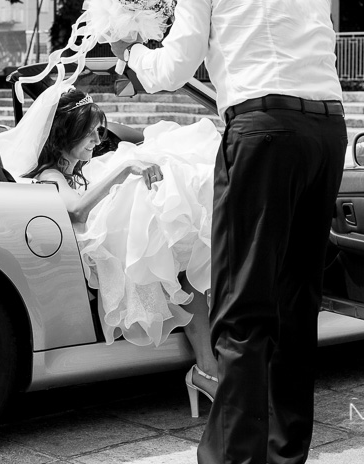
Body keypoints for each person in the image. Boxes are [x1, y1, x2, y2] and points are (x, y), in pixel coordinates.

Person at [111, 0, 347, 464]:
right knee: (297, 300)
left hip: (262, 132)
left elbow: (173, 67)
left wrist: (132, 53)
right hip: (329, 131)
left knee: (243, 301)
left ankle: (233, 458)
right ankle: (287, 451)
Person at [20, 87, 220, 415]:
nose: (96, 139)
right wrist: (126, 168)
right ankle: (207, 369)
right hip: (98, 253)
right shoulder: (51, 175)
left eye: (98, 130)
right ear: (64, 135)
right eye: (88, 132)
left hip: (106, 241)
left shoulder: (74, 171)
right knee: (179, 253)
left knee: (181, 241)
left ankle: (208, 367)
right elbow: (78, 211)